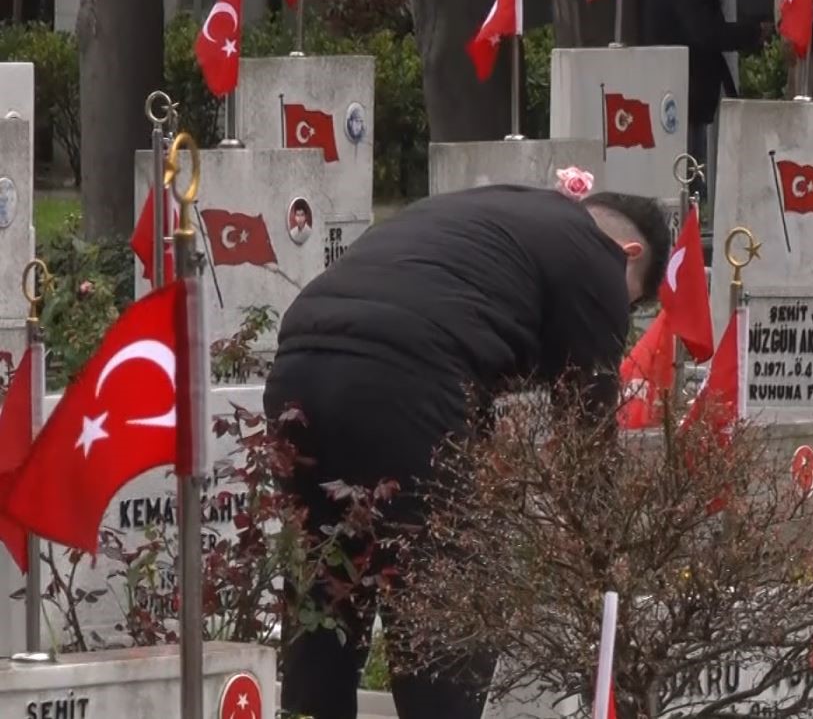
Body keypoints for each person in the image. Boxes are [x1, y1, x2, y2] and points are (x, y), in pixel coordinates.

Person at [262, 184, 670, 719]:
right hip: (405, 379)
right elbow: (586, 433)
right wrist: (601, 558)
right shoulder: (598, 256)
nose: (617, 311)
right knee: (441, 603)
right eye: (630, 299)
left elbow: (461, 340)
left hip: (298, 365)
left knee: (326, 587)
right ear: (629, 254)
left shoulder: (489, 213)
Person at [643, 0, 769, 201]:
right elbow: (706, 33)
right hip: (681, 97)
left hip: (686, 96)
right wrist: (751, 33)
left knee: (692, 169)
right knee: (688, 176)